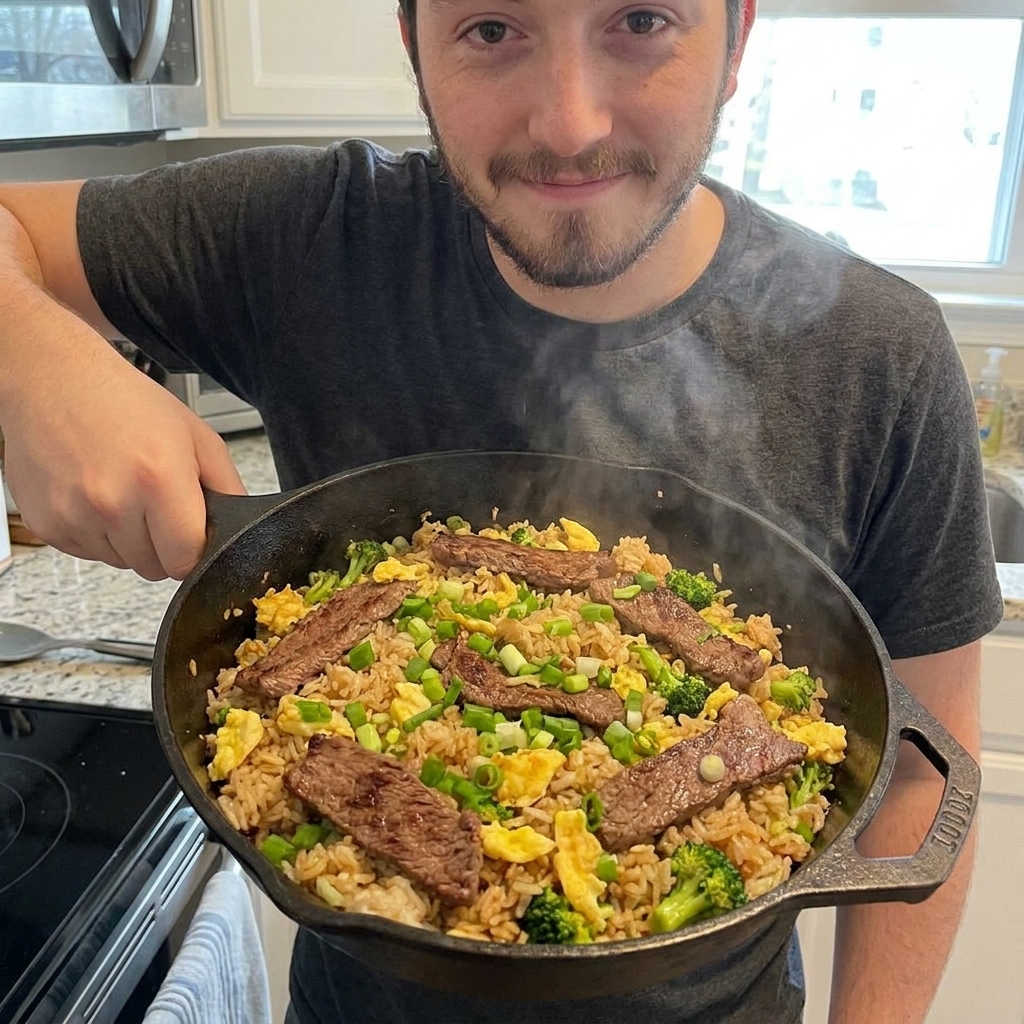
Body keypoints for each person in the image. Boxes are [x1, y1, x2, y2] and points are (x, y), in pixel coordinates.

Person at [0, 0, 1002, 1021]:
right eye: (491, 28)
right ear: (413, 45)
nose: (569, 124)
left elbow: (918, 777)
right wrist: (35, 360)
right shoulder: (305, 235)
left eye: (641, 19)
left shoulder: (881, 355)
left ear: (738, 37)